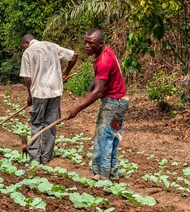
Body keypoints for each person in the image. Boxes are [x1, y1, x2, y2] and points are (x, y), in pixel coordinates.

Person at [67, 28, 129, 181]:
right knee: (112, 138)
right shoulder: (104, 52)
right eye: (86, 42)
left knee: (103, 138)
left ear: (100, 43)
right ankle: (113, 174)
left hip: (113, 103)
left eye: (91, 43)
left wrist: (78, 108)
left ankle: (102, 175)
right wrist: (88, 94)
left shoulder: (103, 61)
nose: (87, 46)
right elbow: (96, 83)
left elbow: (98, 92)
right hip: (120, 101)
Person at [20, 35, 78, 164]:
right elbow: (74, 56)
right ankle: (46, 157)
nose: (23, 47)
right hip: (55, 91)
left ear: (27, 42)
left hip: (39, 92)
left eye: (23, 45)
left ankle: (34, 157)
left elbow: (28, 78)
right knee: (50, 124)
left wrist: (30, 96)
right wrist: (66, 72)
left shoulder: (28, 52)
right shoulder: (51, 46)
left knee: (36, 124)